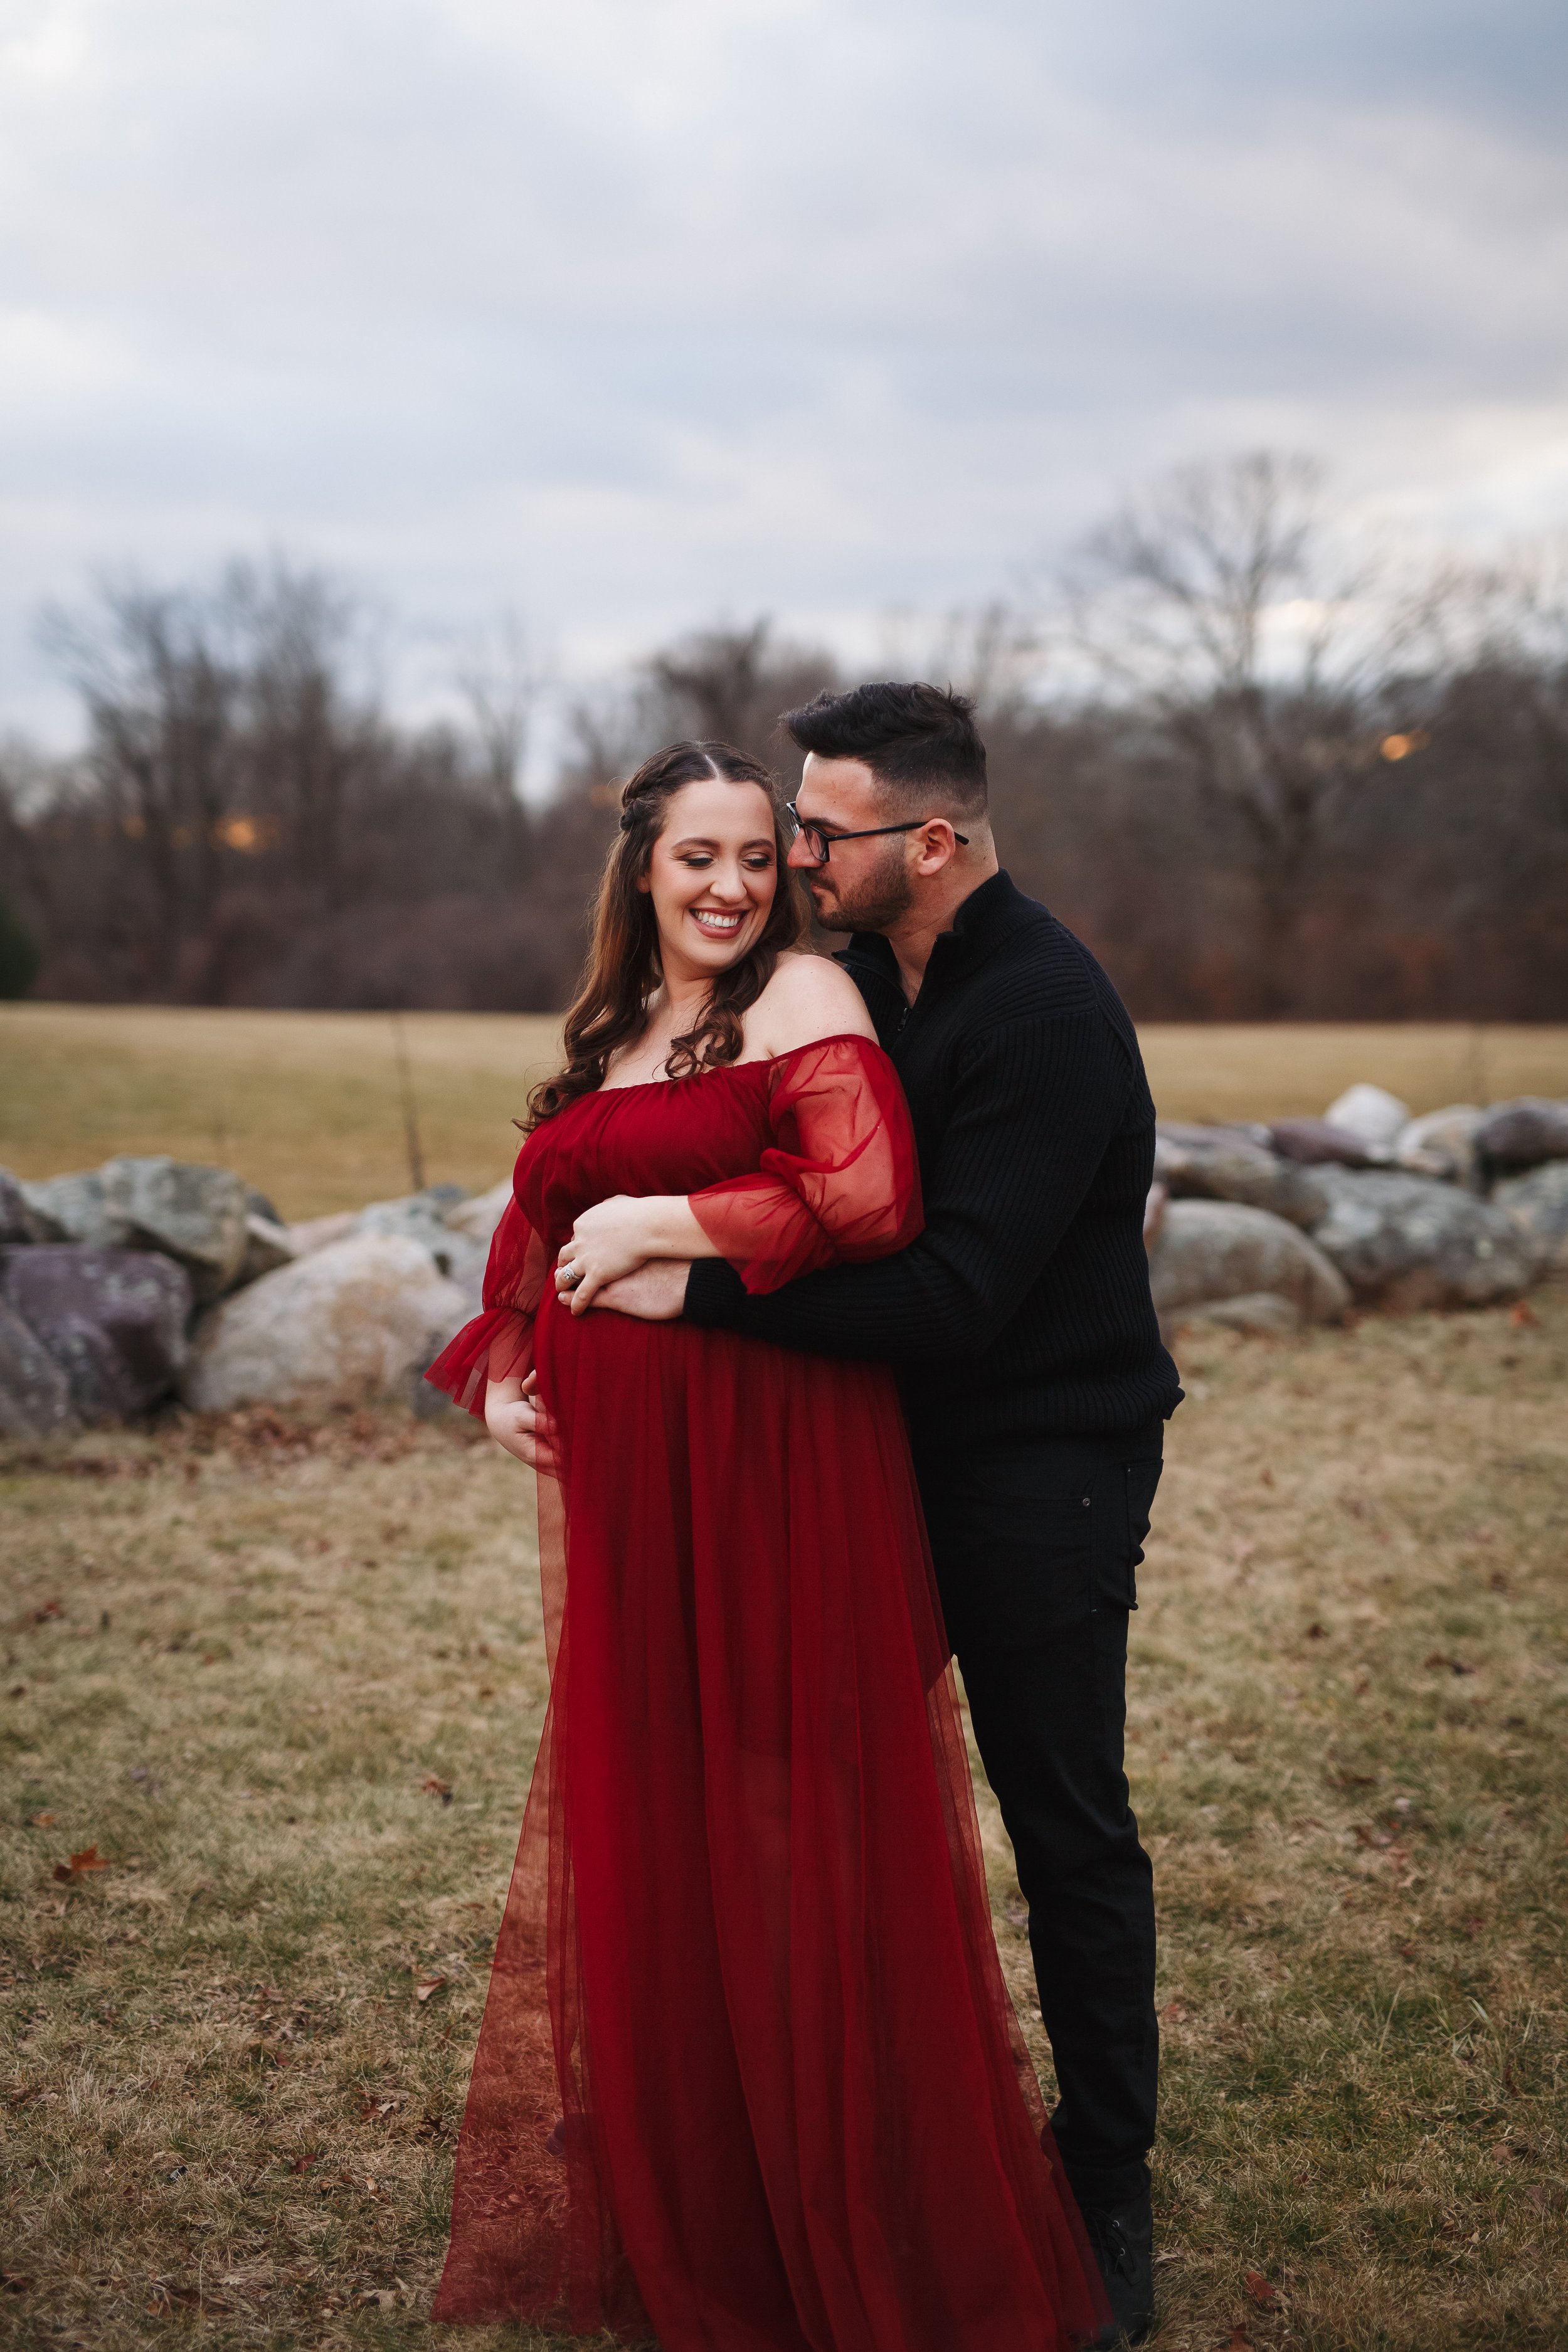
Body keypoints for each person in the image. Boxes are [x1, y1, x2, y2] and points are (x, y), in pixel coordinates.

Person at [424, 738, 1108, 2351]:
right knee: (657, 1802)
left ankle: (841, 2194)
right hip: (632, 1484)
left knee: (785, 1817)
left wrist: (674, 1228)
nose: (731, 884)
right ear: (640, 872)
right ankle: (703, 2182)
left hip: (772, 1459)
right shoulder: (615, 1029)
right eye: (697, 858)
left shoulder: (807, 998)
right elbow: (544, 1209)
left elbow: (866, 1201)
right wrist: (503, 1365)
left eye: (756, 854)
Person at [593, 686, 1182, 2349]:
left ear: (928, 840)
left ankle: (1107, 2170)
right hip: (862, 1453)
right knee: (795, 1786)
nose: (790, 850)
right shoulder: (853, 976)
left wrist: (690, 1298)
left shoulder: (1046, 1011)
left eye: (820, 828)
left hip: (1040, 1461)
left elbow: (947, 1293)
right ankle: (812, 2145)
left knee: (1061, 1812)